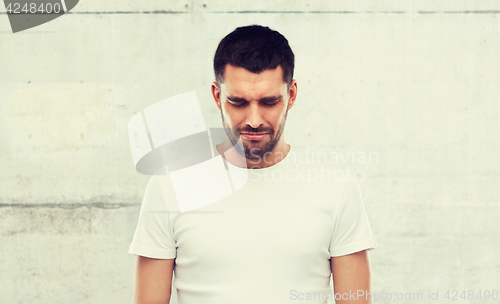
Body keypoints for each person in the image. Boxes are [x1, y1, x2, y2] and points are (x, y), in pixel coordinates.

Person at [128, 24, 378, 304]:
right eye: (238, 102)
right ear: (217, 96)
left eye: (270, 102)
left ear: (291, 96)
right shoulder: (169, 187)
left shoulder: (337, 190)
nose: (254, 120)